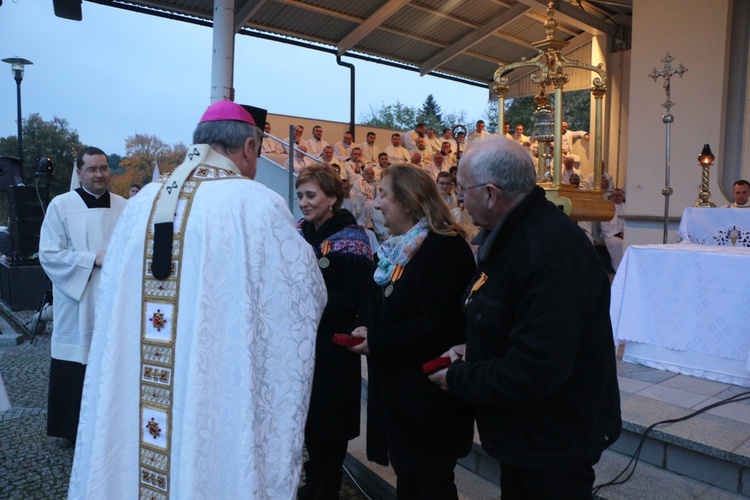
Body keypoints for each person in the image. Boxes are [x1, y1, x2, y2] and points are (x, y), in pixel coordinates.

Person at [68, 100, 327, 498]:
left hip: (139, 384)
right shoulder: (255, 204)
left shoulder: (139, 206)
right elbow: (302, 294)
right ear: (248, 148)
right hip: (212, 378)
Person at [429, 137, 621, 498]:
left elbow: (537, 368)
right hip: (528, 432)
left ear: (490, 194)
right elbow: (514, 318)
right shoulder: (514, 235)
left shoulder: (545, 253)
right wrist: (477, 347)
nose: (458, 199)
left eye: (462, 190)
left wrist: (460, 378)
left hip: (552, 439)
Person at [348, 165, 475, 499]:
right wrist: (364, 324)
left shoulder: (444, 249)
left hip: (428, 399)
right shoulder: (395, 249)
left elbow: (440, 324)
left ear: (407, 200)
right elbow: (373, 299)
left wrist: (376, 340)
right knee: (411, 480)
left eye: (384, 195)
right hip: (399, 395)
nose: (377, 204)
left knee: (429, 483)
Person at [39, 146, 127, 448]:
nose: (99, 174)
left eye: (104, 168)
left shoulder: (126, 206)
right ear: (79, 173)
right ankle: (72, 428)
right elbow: (49, 255)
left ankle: (113, 424)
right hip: (77, 298)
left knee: (112, 358)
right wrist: (93, 259)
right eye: (92, 169)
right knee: (77, 359)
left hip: (114, 297)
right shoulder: (60, 206)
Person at [295, 165, 374, 500]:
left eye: (311, 195)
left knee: (330, 421)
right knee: (310, 421)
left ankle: (327, 486)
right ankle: (313, 481)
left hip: (334, 345)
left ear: (332, 198)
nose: (303, 202)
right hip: (303, 345)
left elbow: (355, 297)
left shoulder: (352, 239)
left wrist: (308, 297)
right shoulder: (298, 233)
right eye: (300, 195)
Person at [600, 188, 626, 270]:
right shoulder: (607, 208)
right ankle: (618, 268)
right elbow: (604, 224)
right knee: (617, 243)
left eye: (618, 195)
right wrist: (618, 234)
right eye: (613, 195)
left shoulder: (627, 208)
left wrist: (625, 234)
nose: (615, 197)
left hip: (625, 234)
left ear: (622, 197)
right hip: (611, 235)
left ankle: (626, 268)